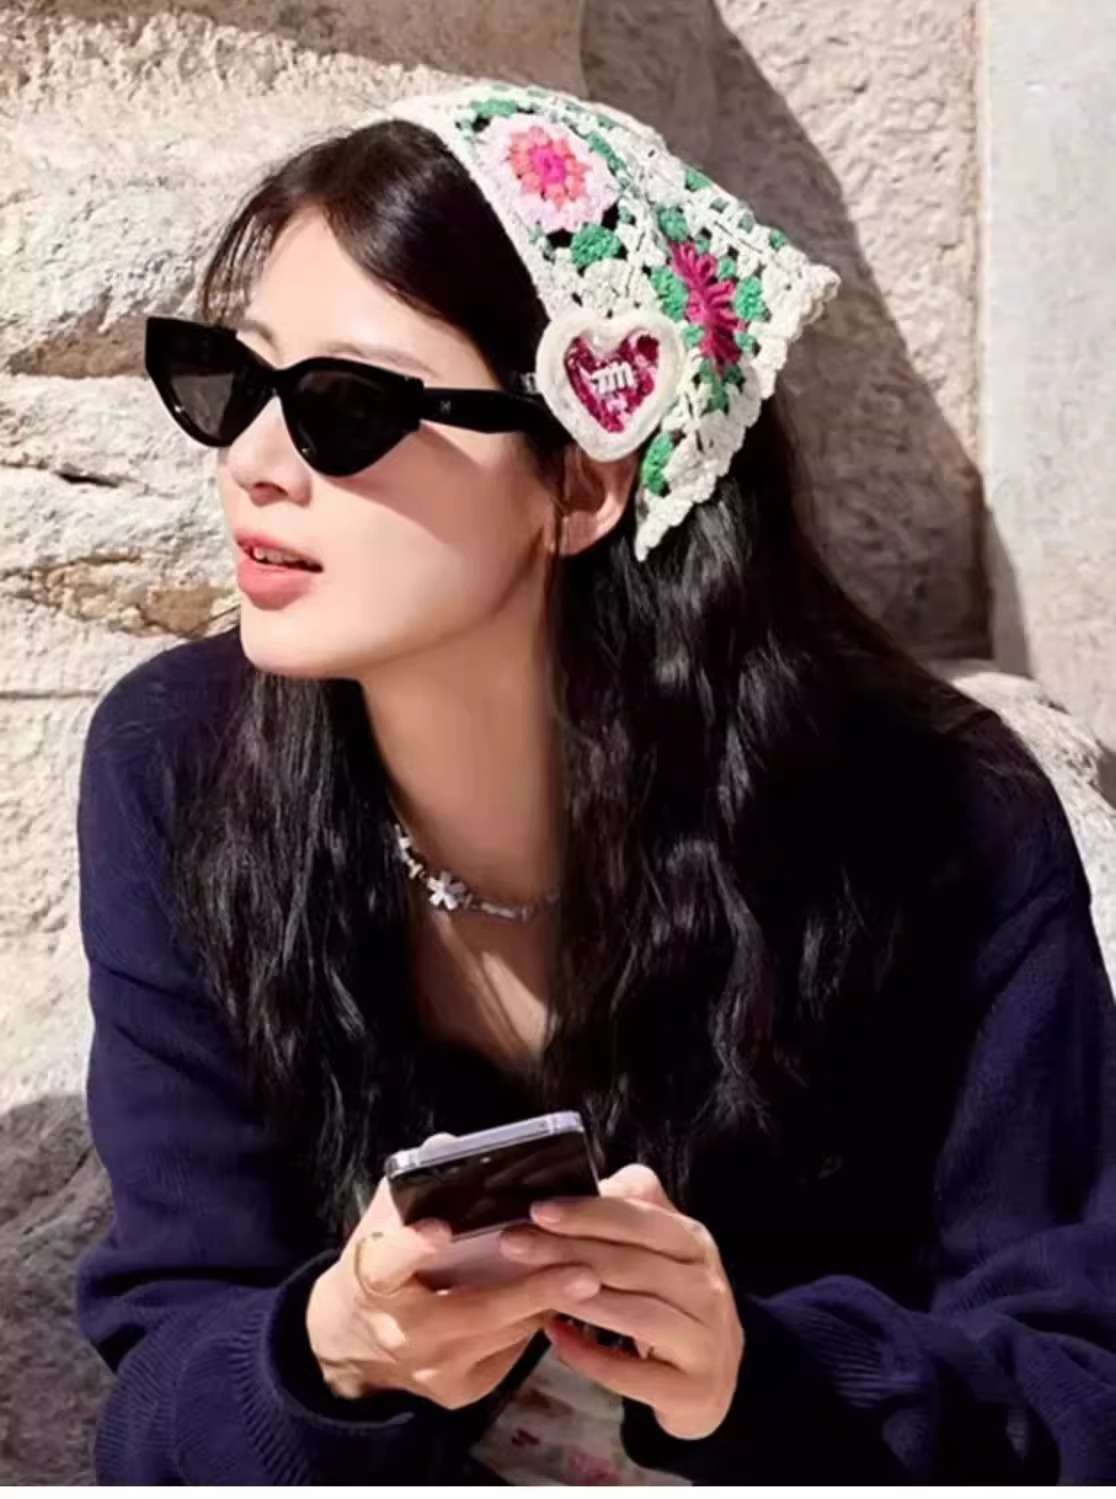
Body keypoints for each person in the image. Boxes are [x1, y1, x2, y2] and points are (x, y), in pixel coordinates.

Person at [74, 80, 1116, 1484]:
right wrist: (332, 1354)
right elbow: (159, 1412)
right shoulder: (177, 769)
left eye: (343, 408)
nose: (252, 463)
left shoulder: (939, 823)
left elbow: (1081, 1386)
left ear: (583, 479)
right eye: (233, 378)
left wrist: (761, 1374)